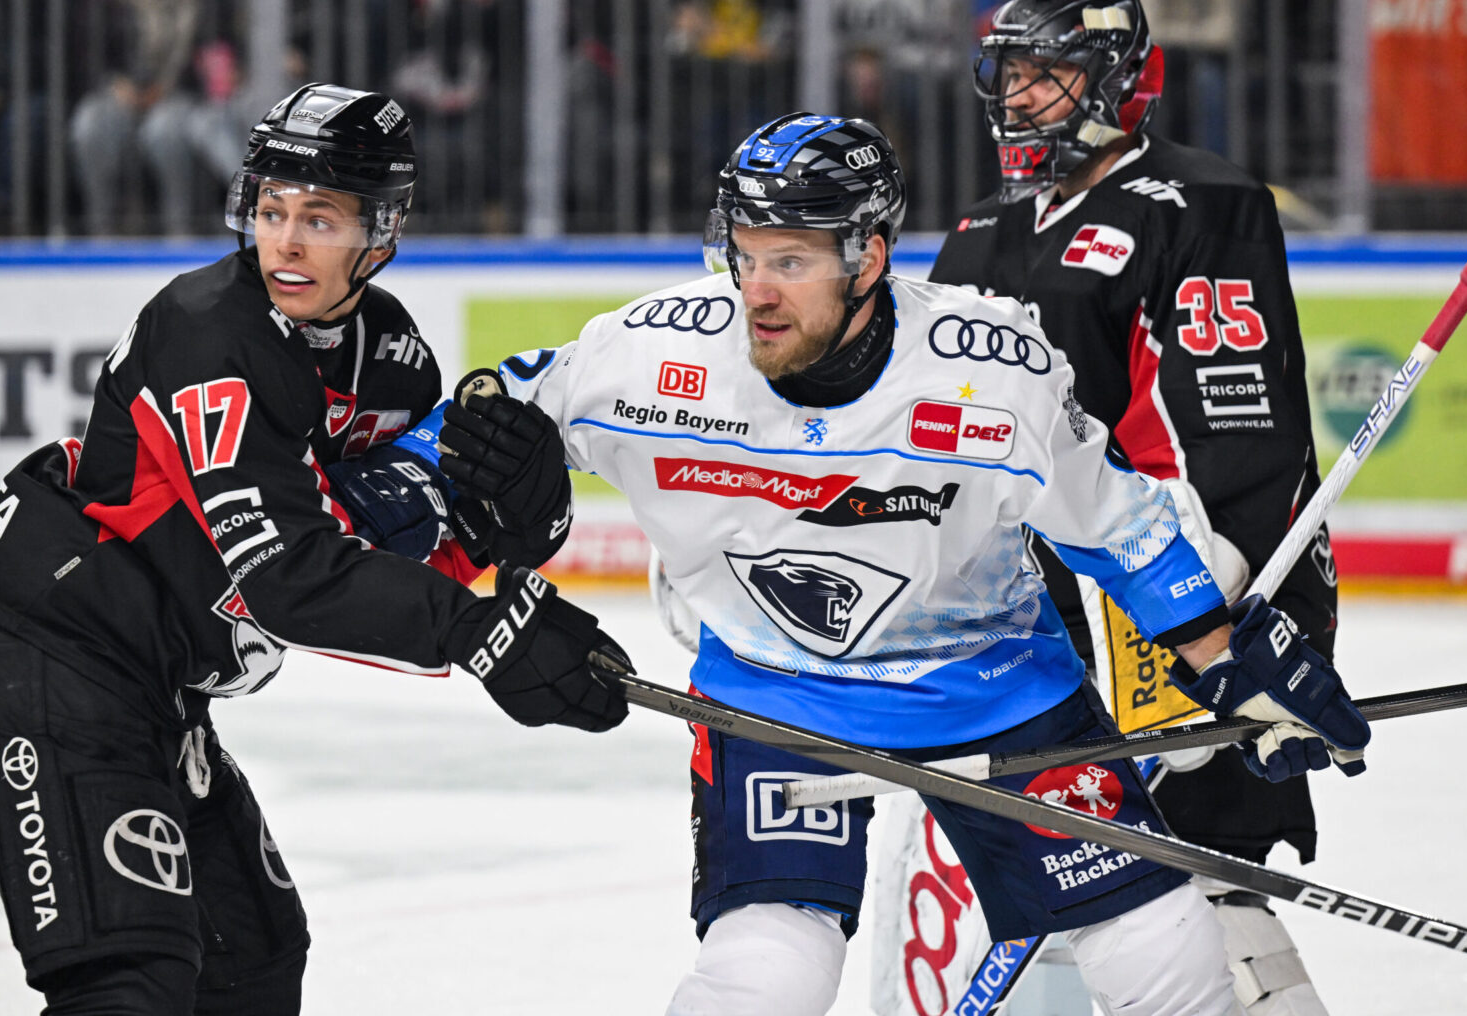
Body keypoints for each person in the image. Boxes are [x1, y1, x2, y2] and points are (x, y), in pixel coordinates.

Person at [433, 111, 1369, 1016]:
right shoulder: (654, 351)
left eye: (789, 262)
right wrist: (432, 507)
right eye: (743, 255)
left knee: (1164, 951)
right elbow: (482, 420)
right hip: (775, 695)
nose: (755, 291)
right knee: (767, 974)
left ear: (868, 258)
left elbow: (1115, 522)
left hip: (995, 687)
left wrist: (1223, 659)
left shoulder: (990, 370)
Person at [0, 83, 626, 1015]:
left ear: (381, 232)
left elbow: (396, 549)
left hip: (158, 690)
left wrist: (517, 527)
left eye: (320, 218)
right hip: (44, 659)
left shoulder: (393, 359)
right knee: (125, 981)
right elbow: (289, 578)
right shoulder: (207, 330)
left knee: (250, 967)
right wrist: (482, 633)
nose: (286, 241)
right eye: (271, 209)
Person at [928, 0, 1339, 1011]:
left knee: (1195, 876)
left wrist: (1198, 623)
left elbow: (1242, 436)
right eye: (1010, 73)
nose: (1020, 96)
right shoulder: (978, 230)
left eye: (1048, 73)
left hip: (1184, 595)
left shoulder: (1201, 203)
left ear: (1119, 81)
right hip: (1041, 623)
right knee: (1066, 887)